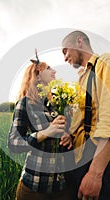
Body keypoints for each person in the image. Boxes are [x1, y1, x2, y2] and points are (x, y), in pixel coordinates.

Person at [62, 30, 110, 199]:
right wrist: (70, 133)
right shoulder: (82, 78)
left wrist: (95, 174)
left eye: (65, 51)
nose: (64, 58)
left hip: (96, 161)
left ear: (79, 42)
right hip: (79, 158)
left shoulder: (106, 63)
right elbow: (84, 118)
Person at [8, 52, 75, 200]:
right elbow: (13, 143)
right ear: (37, 75)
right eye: (49, 68)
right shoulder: (26, 103)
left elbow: (67, 133)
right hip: (34, 187)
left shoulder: (58, 102)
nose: (54, 71)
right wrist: (44, 133)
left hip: (62, 187)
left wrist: (68, 137)